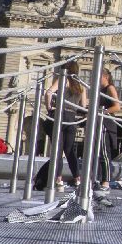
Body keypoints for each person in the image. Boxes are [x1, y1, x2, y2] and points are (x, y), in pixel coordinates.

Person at [33, 61, 88, 191]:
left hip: (59, 116)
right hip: (71, 119)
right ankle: (77, 178)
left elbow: (48, 93)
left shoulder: (63, 80)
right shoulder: (81, 85)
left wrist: (49, 107)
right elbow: (83, 106)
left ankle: (58, 179)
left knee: (57, 151)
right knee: (69, 151)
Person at [93, 69, 121, 190]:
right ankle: (97, 178)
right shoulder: (99, 90)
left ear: (105, 77)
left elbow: (117, 106)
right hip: (99, 121)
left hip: (106, 123)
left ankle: (106, 181)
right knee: (98, 152)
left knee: (105, 153)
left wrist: (102, 112)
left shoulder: (110, 88)